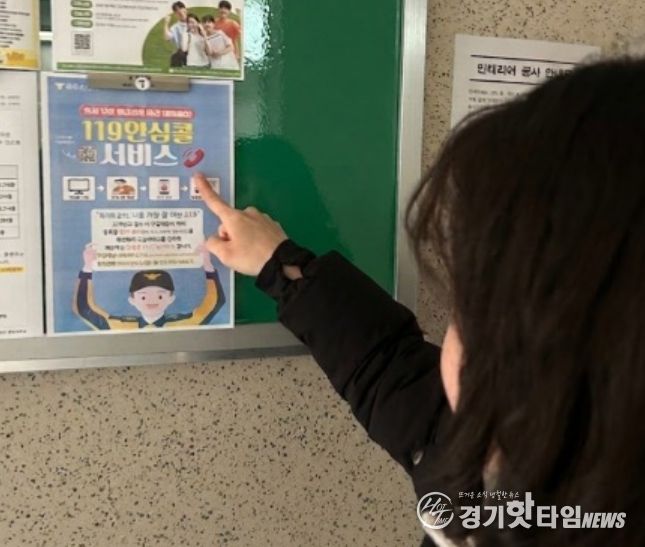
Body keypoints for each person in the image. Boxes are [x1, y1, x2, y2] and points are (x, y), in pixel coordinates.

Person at [195, 56, 644, 547]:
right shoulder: (497, 454)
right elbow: (386, 367)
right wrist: (281, 266)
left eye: (474, 312)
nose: (455, 343)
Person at [74, 244, 224, 330]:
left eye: (160, 295)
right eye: (143, 296)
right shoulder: (119, 325)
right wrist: (87, 268)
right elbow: (85, 309)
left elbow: (213, 304)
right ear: (132, 300)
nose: (152, 301)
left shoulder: (182, 323)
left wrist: (207, 265)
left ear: (171, 298)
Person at [164, 1, 188, 67]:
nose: (180, 11)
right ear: (175, 14)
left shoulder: (193, 22)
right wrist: (166, 23)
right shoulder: (175, 27)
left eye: (181, 8)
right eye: (177, 11)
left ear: (186, 10)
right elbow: (167, 38)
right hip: (182, 53)